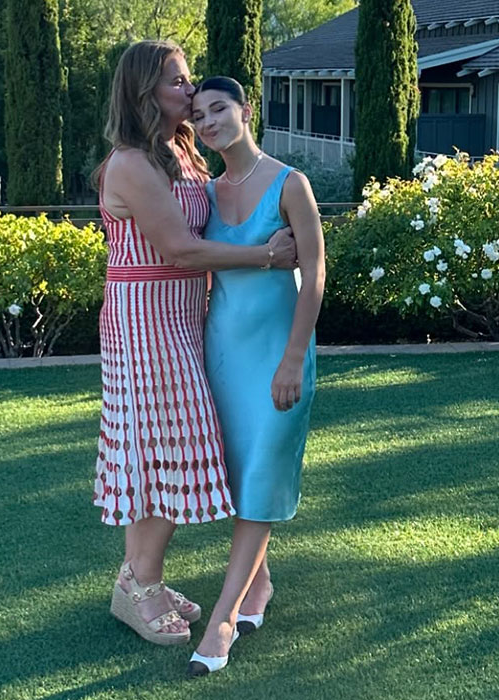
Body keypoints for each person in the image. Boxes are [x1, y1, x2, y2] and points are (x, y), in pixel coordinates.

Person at [93, 42, 297, 648]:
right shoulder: (130, 163)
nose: (190, 92)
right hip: (145, 318)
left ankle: (136, 582)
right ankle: (142, 585)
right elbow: (179, 249)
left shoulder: (180, 151)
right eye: (178, 83)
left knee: (162, 443)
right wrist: (267, 255)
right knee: (162, 445)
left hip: (184, 313)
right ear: (144, 93)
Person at [186, 76, 325, 676]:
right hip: (222, 354)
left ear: (246, 110)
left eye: (219, 108)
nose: (209, 121)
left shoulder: (291, 183)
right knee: (238, 474)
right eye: (198, 115)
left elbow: (316, 274)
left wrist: (294, 357)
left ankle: (223, 616)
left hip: (277, 353)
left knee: (263, 474)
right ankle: (259, 582)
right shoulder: (205, 193)